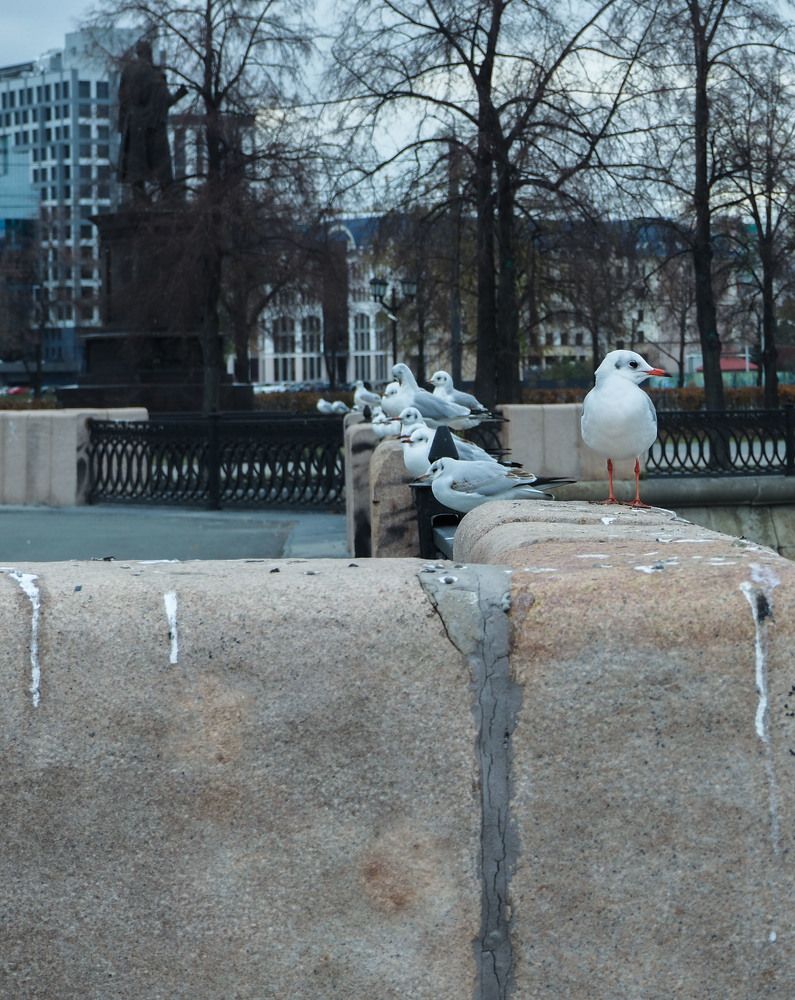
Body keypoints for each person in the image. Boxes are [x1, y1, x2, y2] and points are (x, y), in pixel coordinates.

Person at [117, 40, 188, 201]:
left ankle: (139, 201)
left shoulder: (127, 72)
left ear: (138, 53)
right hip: (152, 126)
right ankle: (169, 198)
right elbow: (165, 101)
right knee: (162, 164)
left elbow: (122, 100)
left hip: (132, 126)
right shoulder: (154, 73)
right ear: (148, 53)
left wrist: (123, 126)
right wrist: (180, 94)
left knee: (136, 170)